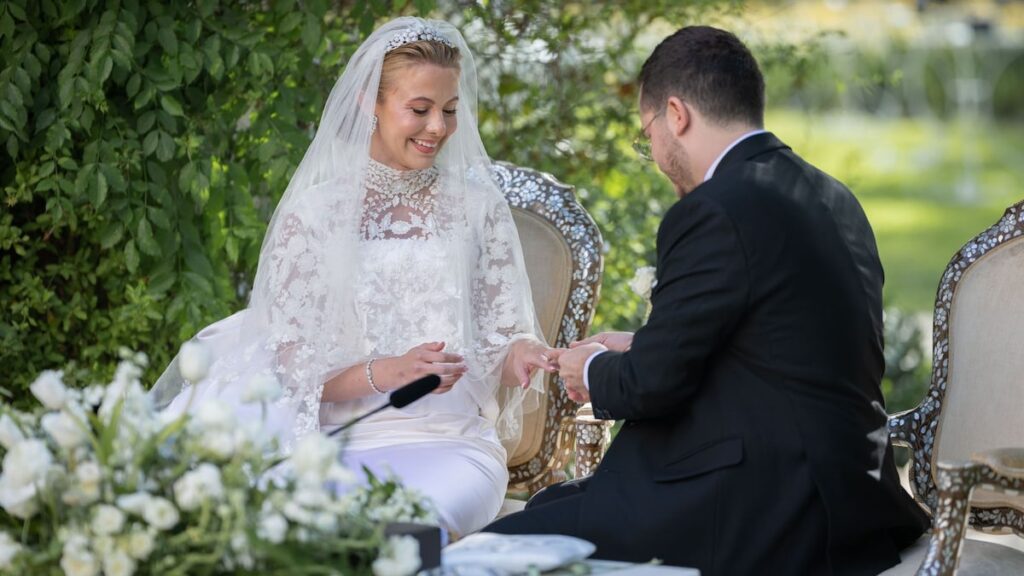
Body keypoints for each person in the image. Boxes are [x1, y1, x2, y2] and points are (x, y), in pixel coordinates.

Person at [487, 25, 929, 575]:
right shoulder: (831, 194)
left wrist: (594, 370)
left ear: (676, 114)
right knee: (553, 508)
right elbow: (783, 350)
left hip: (763, 503)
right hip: (851, 492)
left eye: (646, 135)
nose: (653, 152)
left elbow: (652, 386)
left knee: (490, 551)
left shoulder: (715, 208)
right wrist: (643, 344)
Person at [150, 17, 558, 537]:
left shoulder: (477, 208)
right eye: (420, 109)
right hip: (338, 443)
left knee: (406, 529)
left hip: (451, 442)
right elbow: (292, 374)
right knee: (304, 531)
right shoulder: (316, 214)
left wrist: (522, 354)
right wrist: (385, 372)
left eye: (450, 111)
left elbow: (502, 341)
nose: (438, 127)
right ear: (370, 100)